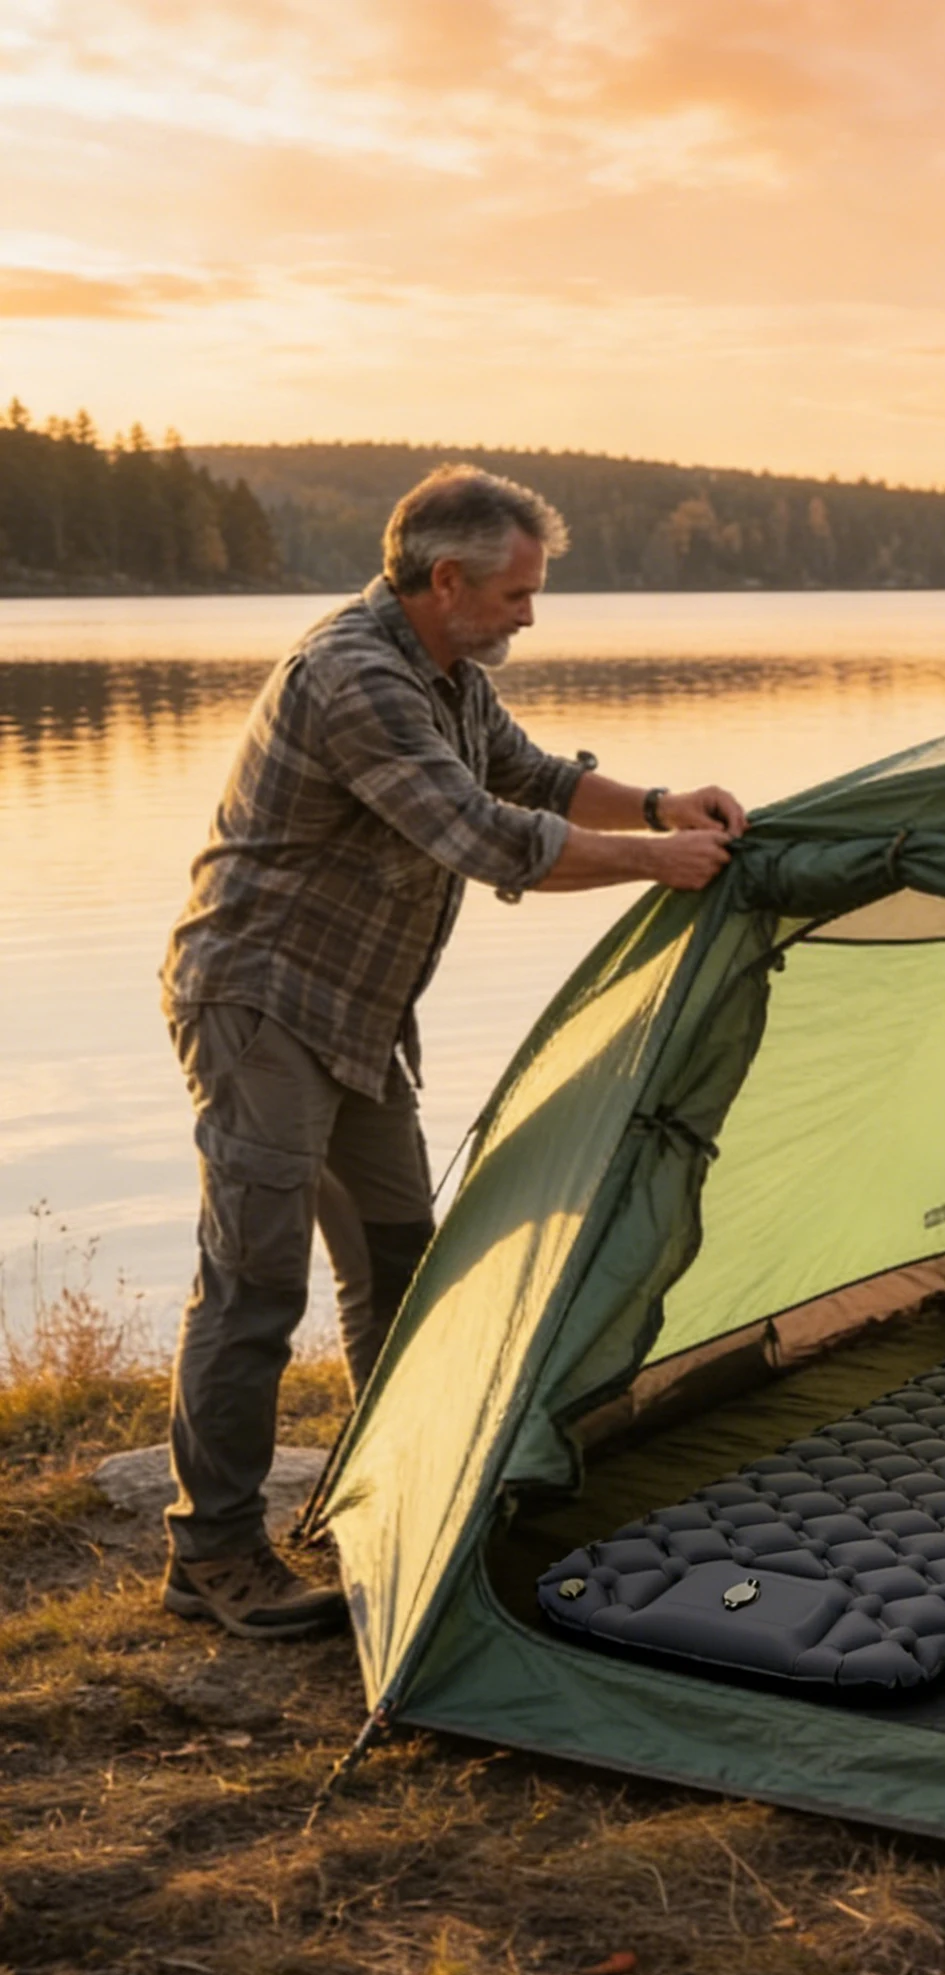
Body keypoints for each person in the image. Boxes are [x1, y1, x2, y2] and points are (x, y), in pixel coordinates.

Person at [157, 464, 744, 1639]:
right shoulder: (355, 678)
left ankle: (402, 1493)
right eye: (518, 593)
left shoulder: (450, 677)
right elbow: (482, 833)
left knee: (397, 1264)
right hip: (262, 1004)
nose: (530, 614)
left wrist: (660, 804)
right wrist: (654, 865)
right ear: (446, 580)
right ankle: (211, 1550)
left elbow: (531, 776)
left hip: (358, 1014)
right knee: (256, 1281)